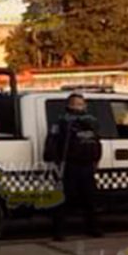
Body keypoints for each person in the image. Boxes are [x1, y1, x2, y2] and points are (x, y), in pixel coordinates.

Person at [46, 93, 103, 240]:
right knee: (65, 200)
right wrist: (54, 161)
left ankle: (93, 228)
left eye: (81, 104)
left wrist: (96, 160)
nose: (79, 106)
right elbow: (52, 142)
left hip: (87, 166)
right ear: (69, 105)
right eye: (76, 104)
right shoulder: (62, 122)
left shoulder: (90, 122)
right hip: (70, 165)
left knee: (90, 199)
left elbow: (96, 142)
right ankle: (58, 232)